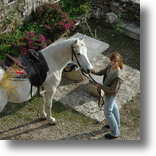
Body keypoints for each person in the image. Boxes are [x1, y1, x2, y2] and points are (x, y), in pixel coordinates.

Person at [91, 52, 123, 139]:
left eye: (115, 61)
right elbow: (102, 72)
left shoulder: (118, 75)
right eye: (112, 61)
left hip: (111, 94)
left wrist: (100, 86)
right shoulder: (110, 66)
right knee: (114, 108)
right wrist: (93, 71)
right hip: (107, 92)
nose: (112, 63)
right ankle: (115, 124)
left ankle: (115, 133)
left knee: (108, 112)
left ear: (119, 62)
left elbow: (113, 90)